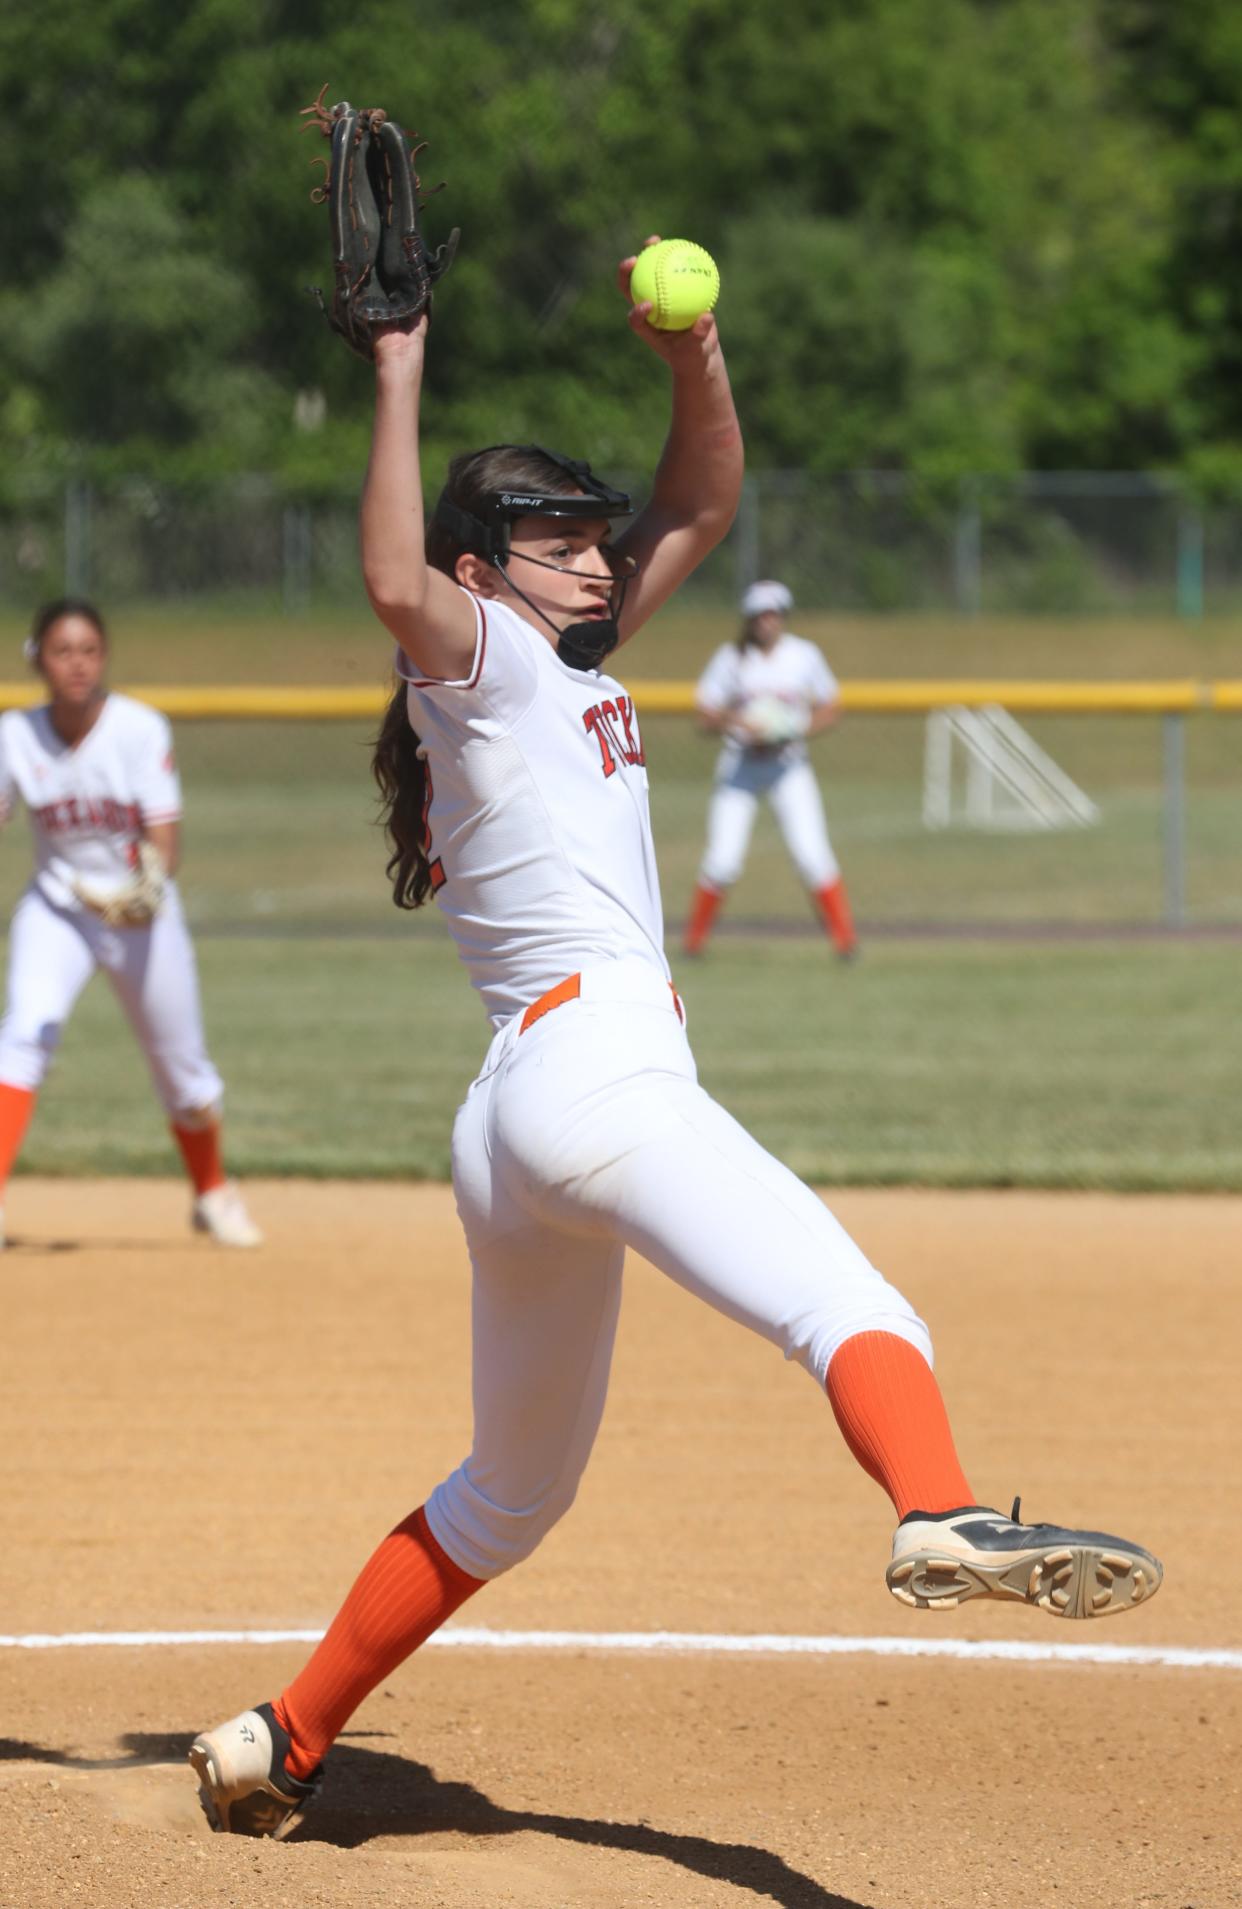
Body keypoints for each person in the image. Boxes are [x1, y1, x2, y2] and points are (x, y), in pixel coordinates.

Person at [189, 245, 1160, 1839]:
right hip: (600, 1080)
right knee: (850, 1299)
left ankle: (282, 1738)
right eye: (549, 541)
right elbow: (387, 579)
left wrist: (692, 350)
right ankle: (934, 1512)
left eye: (588, 540)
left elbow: (700, 499)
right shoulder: (479, 659)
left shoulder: (560, 663)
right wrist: (394, 368)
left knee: (512, 1492)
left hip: (518, 1119)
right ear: (482, 572)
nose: (589, 560)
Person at [0, 599, 261, 1248]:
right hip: (59, 908)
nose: (78, 663)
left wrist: (152, 882)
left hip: (140, 916)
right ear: (38, 658)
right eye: (63, 650)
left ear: (105, 656)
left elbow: (164, 839)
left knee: (185, 1074)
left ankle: (212, 1190)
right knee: (23, 1034)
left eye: (90, 649)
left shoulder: (138, 728)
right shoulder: (14, 734)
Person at [683, 579, 857, 958]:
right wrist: (737, 722)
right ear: (748, 619)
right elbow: (704, 714)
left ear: (783, 616)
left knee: (812, 855)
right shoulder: (732, 658)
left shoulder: (803, 655)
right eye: (759, 614)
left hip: (788, 765)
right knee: (722, 860)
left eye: (773, 613)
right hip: (741, 764)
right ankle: (693, 944)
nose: (767, 621)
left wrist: (794, 728)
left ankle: (846, 943)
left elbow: (831, 707)